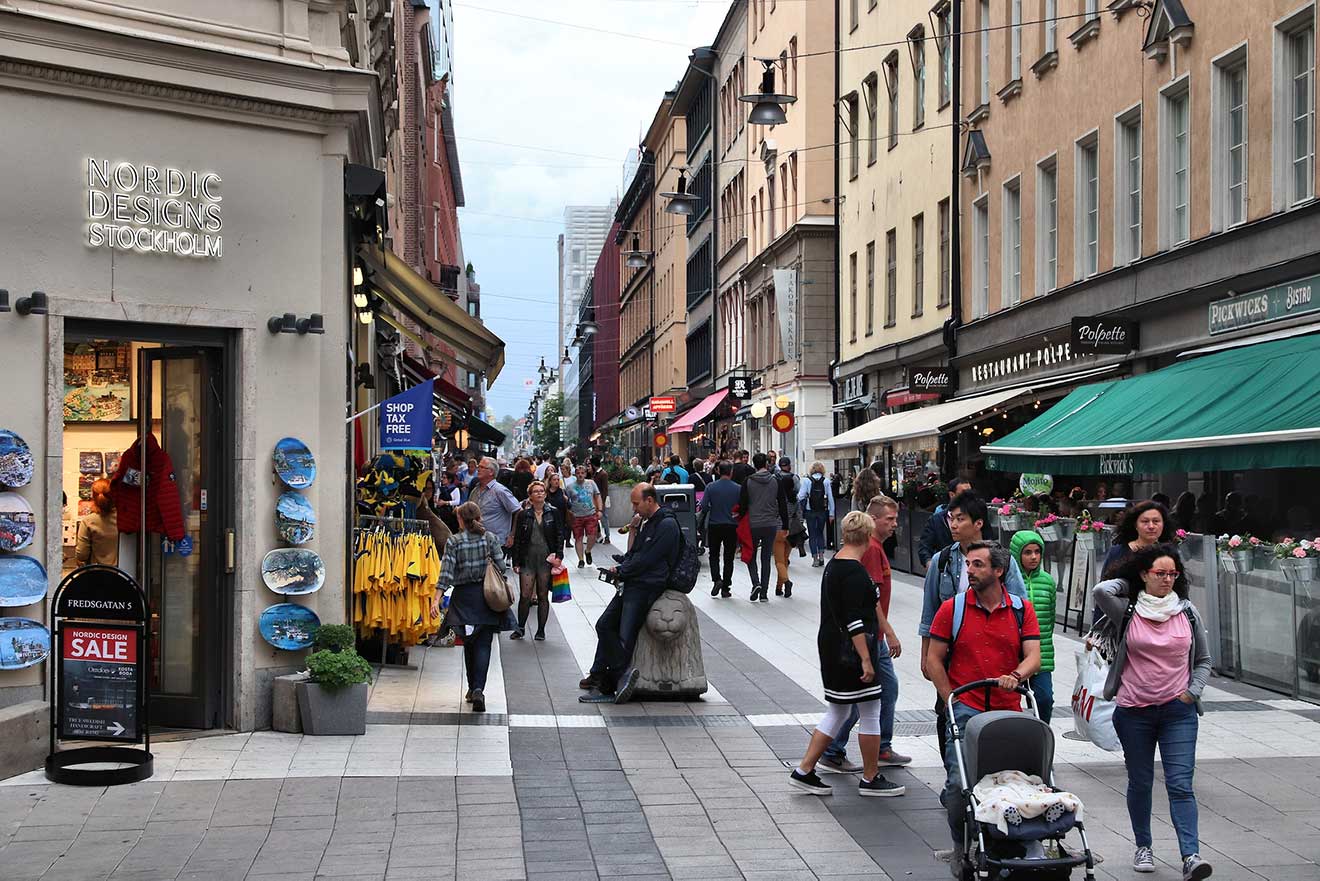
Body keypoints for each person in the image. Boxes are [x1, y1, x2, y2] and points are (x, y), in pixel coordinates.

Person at [1093, 546, 1213, 881]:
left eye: (1172, 574)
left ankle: (1191, 855)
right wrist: (1129, 583)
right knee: (1141, 782)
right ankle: (1143, 845)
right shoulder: (1127, 611)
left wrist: (1192, 693)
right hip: (1134, 712)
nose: (1166, 579)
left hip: (1178, 711)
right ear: (1144, 574)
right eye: (1159, 573)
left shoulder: (1187, 612)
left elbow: (1204, 660)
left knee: (1180, 785)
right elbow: (1101, 590)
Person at [925, 541, 1042, 869]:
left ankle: (1012, 841)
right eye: (968, 565)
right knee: (957, 784)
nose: (970, 571)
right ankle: (960, 848)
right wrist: (951, 698)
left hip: (1008, 710)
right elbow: (933, 660)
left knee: (1016, 780)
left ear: (999, 571)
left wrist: (1016, 674)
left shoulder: (1021, 609)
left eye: (978, 565)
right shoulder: (953, 608)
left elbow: (1035, 656)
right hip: (967, 708)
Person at [787, 511, 905, 798]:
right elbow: (855, 619)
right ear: (867, 535)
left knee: (839, 710)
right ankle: (870, 776)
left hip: (832, 647)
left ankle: (804, 771)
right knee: (870, 711)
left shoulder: (835, 565)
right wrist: (866, 658)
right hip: (851, 650)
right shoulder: (853, 571)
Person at [920, 492, 1027, 764]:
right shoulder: (941, 560)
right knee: (948, 710)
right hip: (950, 651)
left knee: (994, 711)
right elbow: (930, 612)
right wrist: (926, 656)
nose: (953, 525)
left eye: (960, 519)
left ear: (978, 523)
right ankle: (955, 773)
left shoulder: (1002, 562)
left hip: (994, 650)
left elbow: (1019, 608)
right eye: (951, 519)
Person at [820, 496, 910, 776]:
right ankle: (841, 753)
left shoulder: (872, 550)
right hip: (869, 638)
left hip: (872, 636)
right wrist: (880, 639)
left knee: (869, 698)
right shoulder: (867, 552)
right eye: (889, 519)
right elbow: (865, 602)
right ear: (873, 523)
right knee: (865, 699)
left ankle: (863, 750)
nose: (894, 524)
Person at [580, 484, 683, 703]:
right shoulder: (648, 522)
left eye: (636, 503)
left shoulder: (666, 525)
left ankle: (616, 680)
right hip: (632, 583)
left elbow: (648, 559)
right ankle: (604, 674)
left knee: (625, 635)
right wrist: (623, 561)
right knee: (604, 624)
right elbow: (635, 553)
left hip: (646, 586)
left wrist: (624, 570)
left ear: (649, 500)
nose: (634, 508)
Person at [430, 502, 516, 713]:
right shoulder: (490, 538)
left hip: (463, 598)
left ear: (460, 519)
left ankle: (472, 687)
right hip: (487, 597)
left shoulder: (454, 541)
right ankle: (478, 688)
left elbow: (446, 573)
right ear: (479, 517)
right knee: (484, 644)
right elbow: (502, 566)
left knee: (469, 642)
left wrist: (436, 599)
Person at [509, 480, 567, 641]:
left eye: (542, 491)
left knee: (542, 595)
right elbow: (518, 538)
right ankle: (520, 627)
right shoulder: (523, 514)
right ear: (530, 496)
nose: (540, 493)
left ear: (545, 494)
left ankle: (541, 630)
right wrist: (516, 561)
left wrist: (559, 555)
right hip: (528, 558)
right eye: (536, 491)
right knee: (525, 595)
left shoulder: (553, 512)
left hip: (546, 559)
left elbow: (559, 534)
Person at [1011, 529, 1057, 722]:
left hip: (1041, 653)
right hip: (1012, 653)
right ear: (1016, 554)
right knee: (1010, 699)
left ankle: (1041, 732)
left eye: (1037, 552)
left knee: (1044, 699)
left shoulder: (1047, 581)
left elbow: (1051, 618)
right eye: (1027, 552)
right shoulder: (1007, 580)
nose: (1033, 557)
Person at [740, 453, 791, 602]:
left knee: (751, 555)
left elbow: (743, 505)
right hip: (770, 524)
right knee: (766, 558)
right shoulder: (776, 481)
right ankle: (764, 593)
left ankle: (755, 583)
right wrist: (785, 525)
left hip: (753, 524)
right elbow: (782, 504)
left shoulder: (748, 481)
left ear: (754, 464)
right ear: (767, 464)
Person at [1102, 500, 1175, 578]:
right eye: (1145, 521)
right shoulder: (1117, 552)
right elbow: (1104, 585)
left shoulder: (1170, 552)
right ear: (1135, 525)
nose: (1151, 526)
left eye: (1156, 521)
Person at [701, 461, 740, 598]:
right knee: (729, 557)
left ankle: (717, 579)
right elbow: (742, 508)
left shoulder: (711, 487)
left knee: (714, 555)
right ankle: (726, 587)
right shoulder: (738, 488)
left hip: (714, 524)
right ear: (731, 472)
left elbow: (704, 506)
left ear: (718, 471)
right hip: (731, 525)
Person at [468, 457, 522, 555]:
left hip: (496, 544)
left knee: (493, 570)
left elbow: (518, 510)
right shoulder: (475, 490)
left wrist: (512, 535)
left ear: (491, 472)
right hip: (476, 542)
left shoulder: (500, 491)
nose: (478, 469)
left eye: (482, 467)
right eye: (478, 466)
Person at [917, 477, 973, 567]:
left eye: (970, 493)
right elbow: (925, 548)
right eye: (964, 494)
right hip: (945, 571)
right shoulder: (936, 520)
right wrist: (931, 565)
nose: (968, 497)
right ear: (952, 495)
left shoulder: (977, 517)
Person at [773, 457, 802, 596]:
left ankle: (786, 581)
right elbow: (799, 515)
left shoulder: (776, 499)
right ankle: (779, 588)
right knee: (785, 560)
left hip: (778, 530)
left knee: (779, 561)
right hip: (791, 531)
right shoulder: (794, 499)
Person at [565, 463, 603, 567]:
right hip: (576, 516)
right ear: (575, 474)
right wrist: (569, 512)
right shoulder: (569, 487)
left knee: (592, 535)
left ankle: (588, 551)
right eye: (578, 473)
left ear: (586, 474)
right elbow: (566, 501)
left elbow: (597, 496)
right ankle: (581, 559)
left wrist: (600, 510)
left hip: (590, 514)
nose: (580, 475)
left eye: (582, 473)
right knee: (578, 538)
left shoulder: (591, 483)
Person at [799, 461, 835, 566]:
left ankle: (815, 558)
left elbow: (800, 496)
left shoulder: (806, 481)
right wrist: (831, 513)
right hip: (822, 511)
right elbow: (830, 498)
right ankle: (822, 556)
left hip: (810, 511)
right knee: (820, 533)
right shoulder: (826, 481)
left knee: (812, 534)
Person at [75, 478, 119, 565]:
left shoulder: (88, 521)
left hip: (96, 574)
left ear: (93, 497)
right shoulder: (124, 520)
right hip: (122, 574)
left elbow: (82, 555)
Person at [591, 456, 612, 543]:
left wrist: (602, 503)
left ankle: (607, 536)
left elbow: (605, 490)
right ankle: (598, 536)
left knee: (604, 519)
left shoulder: (603, 474)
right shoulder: (596, 473)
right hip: (595, 500)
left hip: (600, 500)